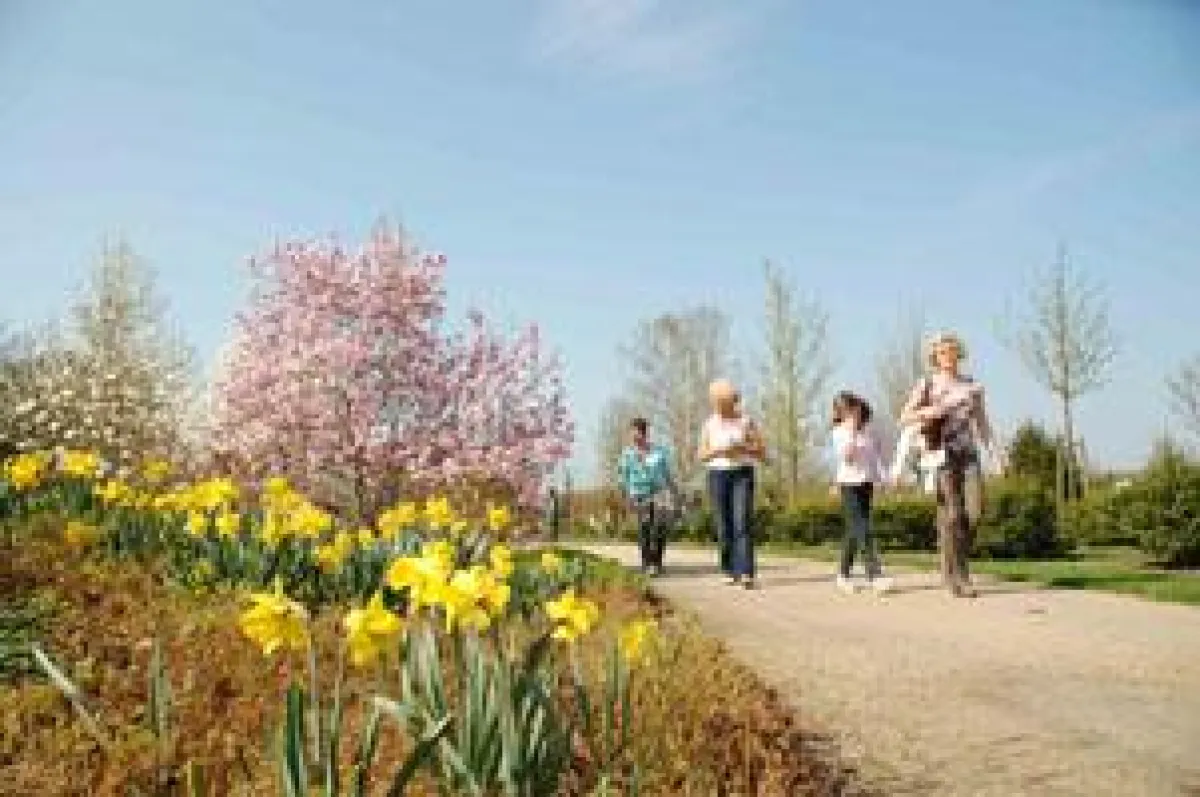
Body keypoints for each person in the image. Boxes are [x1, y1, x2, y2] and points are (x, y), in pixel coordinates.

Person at [899, 331, 1003, 598]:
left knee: (975, 511)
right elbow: (904, 417)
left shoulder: (971, 385)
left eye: (952, 350)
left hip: (968, 454)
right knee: (953, 514)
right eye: (942, 352)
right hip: (940, 455)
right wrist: (929, 411)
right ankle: (959, 575)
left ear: (960, 353)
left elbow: (981, 422)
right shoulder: (927, 383)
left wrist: (996, 453)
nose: (948, 356)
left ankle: (951, 562)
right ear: (935, 356)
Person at [698, 379, 766, 589]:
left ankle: (746, 571)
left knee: (742, 520)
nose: (721, 407)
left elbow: (762, 451)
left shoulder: (746, 421)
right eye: (718, 403)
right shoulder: (709, 424)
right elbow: (701, 454)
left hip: (742, 474)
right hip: (718, 474)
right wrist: (719, 451)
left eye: (725, 403)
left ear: (733, 401)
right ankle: (729, 569)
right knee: (723, 524)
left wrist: (743, 448)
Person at [831, 391, 892, 594]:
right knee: (863, 528)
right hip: (848, 484)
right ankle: (874, 575)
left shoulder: (870, 431)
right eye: (844, 412)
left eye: (852, 410)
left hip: (866, 483)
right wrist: (852, 432)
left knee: (853, 531)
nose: (850, 414)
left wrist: (885, 478)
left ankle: (842, 575)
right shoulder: (839, 432)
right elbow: (847, 457)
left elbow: (876, 457)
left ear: (859, 409)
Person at [616, 417, 678, 576]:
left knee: (659, 526)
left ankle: (657, 562)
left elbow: (667, 473)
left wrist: (673, 491)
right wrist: (625, 495)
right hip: (638, 494)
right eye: (632, 434)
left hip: (659, 492)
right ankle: (646, 563)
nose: (634, 437)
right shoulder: (627, 454)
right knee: (645, 527)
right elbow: (623, 476)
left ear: (644, 433)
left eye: (637, 433)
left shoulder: (659, 451)